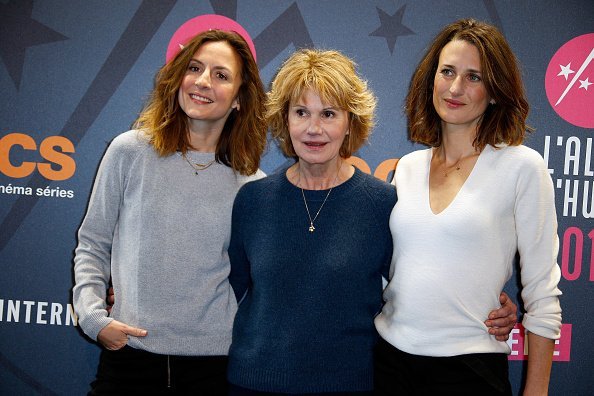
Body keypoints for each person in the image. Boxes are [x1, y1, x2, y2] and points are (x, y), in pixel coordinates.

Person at [225, 48, 516, 396]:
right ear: (285, 120)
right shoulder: (253, 201)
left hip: (351, 386)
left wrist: (488, 301)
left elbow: (421, 280)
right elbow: (225, 293)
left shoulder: (384, 204)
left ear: (350, 121)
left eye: (329, 113)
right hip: (254, 385)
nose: (313, 128)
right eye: (301, 112)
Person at [72, 24, 267, 395]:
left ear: (240, 98)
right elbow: (92, 244)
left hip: (214, 368)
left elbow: (259, 282)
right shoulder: (129, 152)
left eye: (221, 75)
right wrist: (94, 318)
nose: (203, 81)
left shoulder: (254, 186)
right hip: (128, 359)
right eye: (194, 68)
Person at [374, 19, 562, 396]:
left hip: (469, 370)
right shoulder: (407, 169)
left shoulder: (522, 167)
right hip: (389, 363)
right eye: (447, 72)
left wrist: (537, 391)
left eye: (474, 77)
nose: (456, 88)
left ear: (494, 92)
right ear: (432, 81)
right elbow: (392, 273)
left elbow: (543, 293)